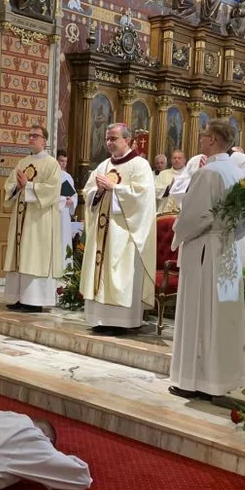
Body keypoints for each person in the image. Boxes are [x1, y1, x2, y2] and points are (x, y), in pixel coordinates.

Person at [169, 120, 245, 400]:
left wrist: (177, 232)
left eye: (204, 135)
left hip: (205, 249)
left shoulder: (208, 173)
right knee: (224, 315)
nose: (201, 139)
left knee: (200, 312)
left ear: (214, 140)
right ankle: (222, 379)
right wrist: (230, 231)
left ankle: (194, 381)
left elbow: (195, 216)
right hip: (229, 249)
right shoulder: (237, 172)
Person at [80, 123, 156, 334]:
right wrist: (97, 191)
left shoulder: (139, 165)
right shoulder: (104, 165)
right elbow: (88, 192)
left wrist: (115, 189)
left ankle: (120, 321)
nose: (109, 143)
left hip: (125, 233)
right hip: (103, 231)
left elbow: (144, 197)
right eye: (107, 138)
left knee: (120, 274)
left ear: (127, 140)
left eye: (113, 138)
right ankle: (100, 319)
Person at [4, 125, 63, 312]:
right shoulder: (22, 162)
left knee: (34, 254)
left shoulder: (52, 163)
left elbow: (53, 190)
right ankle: (19, 297)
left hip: (40, 219)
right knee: (20, 255)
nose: (31, 138)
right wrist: (18, 187)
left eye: (36, 136)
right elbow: (10, 185)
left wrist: (28, 186)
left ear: (44, 140)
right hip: (22, 216)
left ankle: (34, 300)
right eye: (29, 135)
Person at [56, 150, 78, 265]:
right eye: (61, 161)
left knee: (65, 239)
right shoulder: (52, 175)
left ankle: (66, 267)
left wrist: (72, 201)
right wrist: (64, 200)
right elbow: (50, 195)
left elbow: (74, 195)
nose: (63, 164)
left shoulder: (68, 177)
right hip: (56, 211)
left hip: (65, 213)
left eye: (65, 161)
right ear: (56, 160)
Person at [155, 149, 187, 214]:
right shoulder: (163, 174)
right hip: (164, 211)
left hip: (184, 212)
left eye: (179, 158)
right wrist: (168, 188)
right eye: (174, 158)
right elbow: (154, 191)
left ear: (184, 160)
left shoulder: (190, 175)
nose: (176, 160)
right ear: (171, 160)